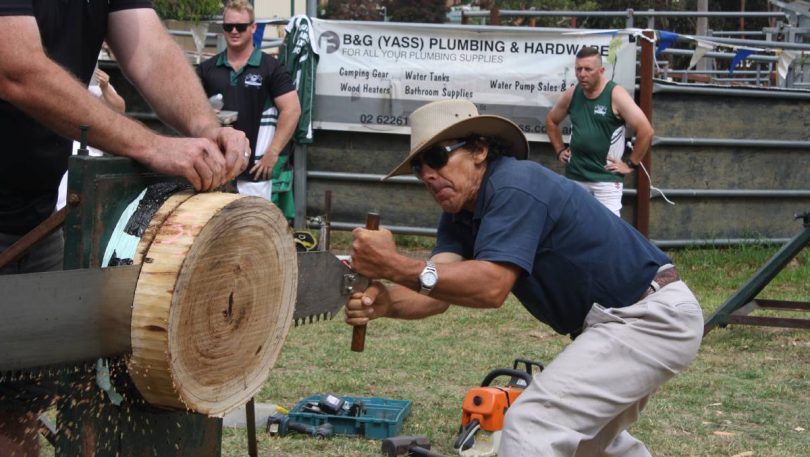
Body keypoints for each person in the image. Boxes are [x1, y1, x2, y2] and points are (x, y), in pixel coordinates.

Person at [345, 99, 703, 456]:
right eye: (418, 167)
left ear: (479, 151)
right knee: (593, 448)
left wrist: (392, 265)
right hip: (624, 321)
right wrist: (387, 303)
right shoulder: (461, 211)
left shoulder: (513, 185)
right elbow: (436, 291)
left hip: (647, 318)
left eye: (437, 158)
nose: (427, 174)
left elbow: (491, 286)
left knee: (531, 425)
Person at [0, 2, 250, 455]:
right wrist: (151, 146)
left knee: (18, 410)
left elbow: (149, 49)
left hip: (31, 218)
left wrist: (203, 128)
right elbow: (16, 68)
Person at [197, 0, 301, 217]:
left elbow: (292, 110)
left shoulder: (271, 68)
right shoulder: (207, 68)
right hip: (216, 169)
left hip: (254, 171)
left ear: (253, 27)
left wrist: (272, 153)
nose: (234, 31)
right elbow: (189, 109)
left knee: (253, 233)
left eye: (241, 27)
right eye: (228, 27)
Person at [546, 46, 654, 217]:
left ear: (601, 70)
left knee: (609, 233)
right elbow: (551, 121)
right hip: (576, 175)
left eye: (588, 69)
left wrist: (630, 164)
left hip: (606, 179)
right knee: (575, 228)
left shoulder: (616, 94)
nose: (582, 74)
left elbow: (646, 131)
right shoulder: (573, 93)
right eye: (578, 69)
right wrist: (559, 149)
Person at [56, 68, 126, 210]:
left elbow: (120, 109)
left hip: (88, 148)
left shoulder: (96, 84)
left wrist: (105, 87)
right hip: (62, 143)